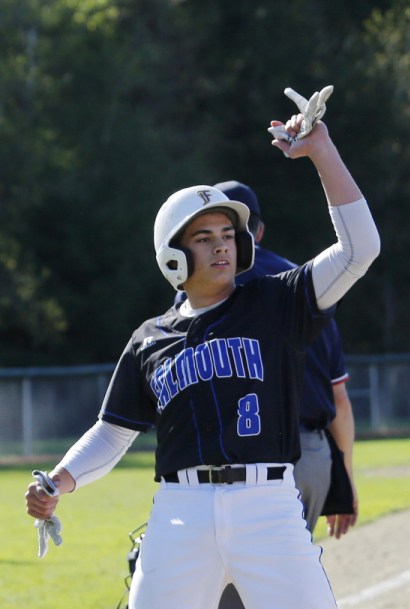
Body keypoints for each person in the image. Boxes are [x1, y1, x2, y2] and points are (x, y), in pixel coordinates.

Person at [24, 86, 380, 609]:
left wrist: (321, 150)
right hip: (180, 510)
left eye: (227, 234)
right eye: (203, 237)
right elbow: (114, 432)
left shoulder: (276, 300)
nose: (220, 245)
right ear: (172, 256)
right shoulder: (152, 337)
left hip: (268, 505)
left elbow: (360, 249)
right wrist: (60, 480)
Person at [201, 181, 358, 609]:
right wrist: (342, 479)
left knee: (227, 592)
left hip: (228, 461)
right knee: (284, 590)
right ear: (261, 230)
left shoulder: (201, 289)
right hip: (308, 458)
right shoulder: (307, 285)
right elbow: (338, 398)